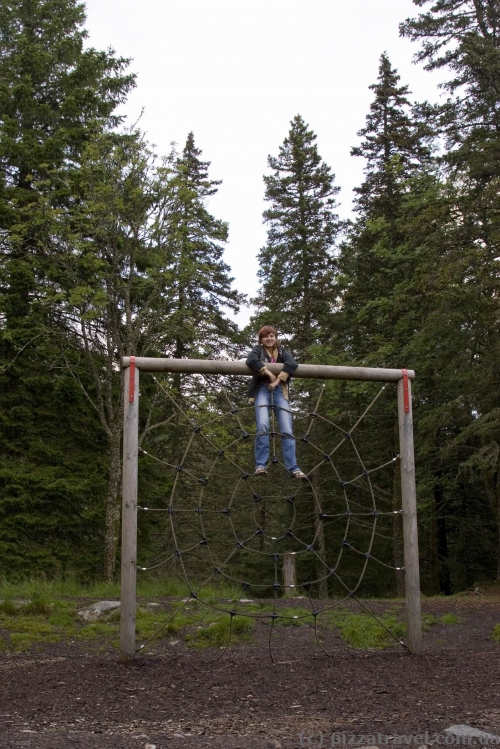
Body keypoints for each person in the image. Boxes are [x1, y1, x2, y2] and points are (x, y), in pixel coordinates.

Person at [246, 326, 306, 478]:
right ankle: (260, 465)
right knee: (263, 425)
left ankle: (293, 468)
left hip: (280, 391)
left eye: (272, 336)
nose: (269, 339)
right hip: (262, 390)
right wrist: (268, 373)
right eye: (265, 336)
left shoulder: (281, 351)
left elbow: (292, 363)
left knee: (286, 429)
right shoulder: (258, 350)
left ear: (275, 337)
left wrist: (277, 380)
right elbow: (251, 360)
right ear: (261, 339)